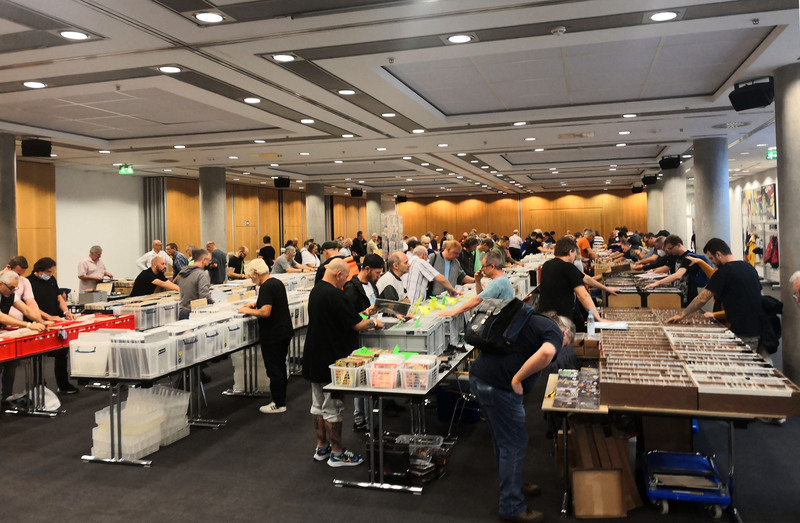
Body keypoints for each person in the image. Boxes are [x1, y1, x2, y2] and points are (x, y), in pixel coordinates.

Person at [470, 310, 575, 523]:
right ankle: (511, 506)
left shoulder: (535, 321)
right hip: (500, 387)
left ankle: (514, 484)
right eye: (564, 345)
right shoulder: (554, 332)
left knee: (503, 441)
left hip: (481, 378)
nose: (561, 349)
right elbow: (546, 353)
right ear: (565, 332)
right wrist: (518, 379)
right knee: (513, 444)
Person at [302, 258, 383, 467]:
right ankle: (337, 453)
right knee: (333, 407)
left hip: (314, 355)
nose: (346, 281)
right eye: (345, 277)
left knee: (317, 405)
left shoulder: (317, 290)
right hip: (331, 357)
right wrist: (374, 322)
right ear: (339, 275)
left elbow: (341, 318)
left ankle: (322, 447)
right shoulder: (335, 295)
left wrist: (363, 313)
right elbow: (357, 325)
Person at [667, 238, 763, 353]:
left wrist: (683, 314)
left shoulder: (724, 272)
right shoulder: (749, 268)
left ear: (718, 254)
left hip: (739, 330)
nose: (712, 263)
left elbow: (702, 298)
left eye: (711, 258)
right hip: (756, 329)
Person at [238, 259, 293, 414]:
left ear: (256, 273)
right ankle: (280, 399)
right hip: (283, 331)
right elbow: (269, 303)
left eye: (251, 276)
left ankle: (278, 403)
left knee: (274, 369)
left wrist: (246, 310)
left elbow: (265, 312)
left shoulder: (266, 287)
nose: (251, 280)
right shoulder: (276, 282)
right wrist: (254, 305)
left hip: (273, 334)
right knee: (280, 367)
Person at [342, 254, 383, 431]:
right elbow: (350, 319)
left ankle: (366, 419)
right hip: (359, 339)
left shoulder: (372, 284)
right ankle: (360, 420)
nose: (379, 276)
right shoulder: (351, 289)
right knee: (362, 380)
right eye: (377, 273)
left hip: (371, 334)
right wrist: (367, 315)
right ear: (367, 269)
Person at [27, 257, 80, 394]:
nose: (50, 275)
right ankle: (39, 386)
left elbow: (59, 298)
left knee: (62, 353)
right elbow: (30, 306)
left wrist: (66, 312)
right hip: (40, 322)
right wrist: (47, 317)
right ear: (39, 270)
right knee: (38, 357)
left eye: (52, 272)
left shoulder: (51, 280)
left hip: (56, 321)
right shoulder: (28, 282)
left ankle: (63, 384)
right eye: (48, 272)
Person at [1, 258, 51, 402]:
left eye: (15, 288)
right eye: (11, 288)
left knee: (11, 363)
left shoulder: (10, 293)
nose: (13, 291)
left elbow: (26, 309)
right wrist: (28, 325)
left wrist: (41, 322)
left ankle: (6, 397)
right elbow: (2, 316)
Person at [536, 237, 611, 326]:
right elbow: (583, 295)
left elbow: (586, 278)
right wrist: (599, 318)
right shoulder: (568, 268)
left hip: (545, 316)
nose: (575, 257)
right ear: (570, 252)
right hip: (561, 319)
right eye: (575, 253)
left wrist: (606, 288)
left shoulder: (547, 265)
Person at [440, 251, 514, 317]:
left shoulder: (498, 282)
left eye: (483, 266)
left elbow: (477, 300)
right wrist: (477, 281)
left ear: (492, 266)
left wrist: (454, 312)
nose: (481, 269)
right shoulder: (502, 278)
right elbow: (483, 297)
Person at [644, 234, 705, 306]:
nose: (669, 251)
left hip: (688, 296)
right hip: (680, 294)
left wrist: (658, 283)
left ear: (679, 245)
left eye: (670, 248)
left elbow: (678, 275)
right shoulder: (678, 257)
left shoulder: (689, 257)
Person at [176, 249, 212, 320]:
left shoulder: (183, 273)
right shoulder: (202, 275)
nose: (209, 263)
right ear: (204, 260)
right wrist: (216, 303)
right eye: (209, 260)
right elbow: (204, 296)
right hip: (194, 313)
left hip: (181, 312)